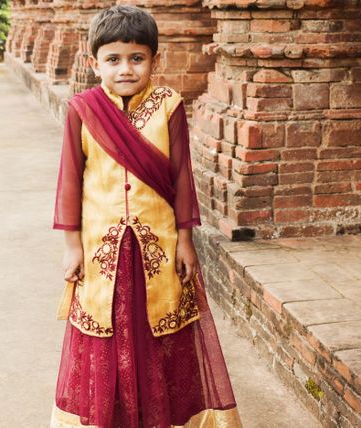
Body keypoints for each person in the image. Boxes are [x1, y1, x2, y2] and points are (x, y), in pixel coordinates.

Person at [50, 5, 242, 427]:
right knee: (106, 332)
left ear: (157, 59)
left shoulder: (168, 106)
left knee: (155, 334)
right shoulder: (82, 110)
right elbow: (69, 182)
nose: (125, 69)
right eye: (113, 59)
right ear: (93, 62)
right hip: (101, 251)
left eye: (137, 58)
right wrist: (72, 247)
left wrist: (187, 242)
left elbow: (182, 179)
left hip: (158, 248)